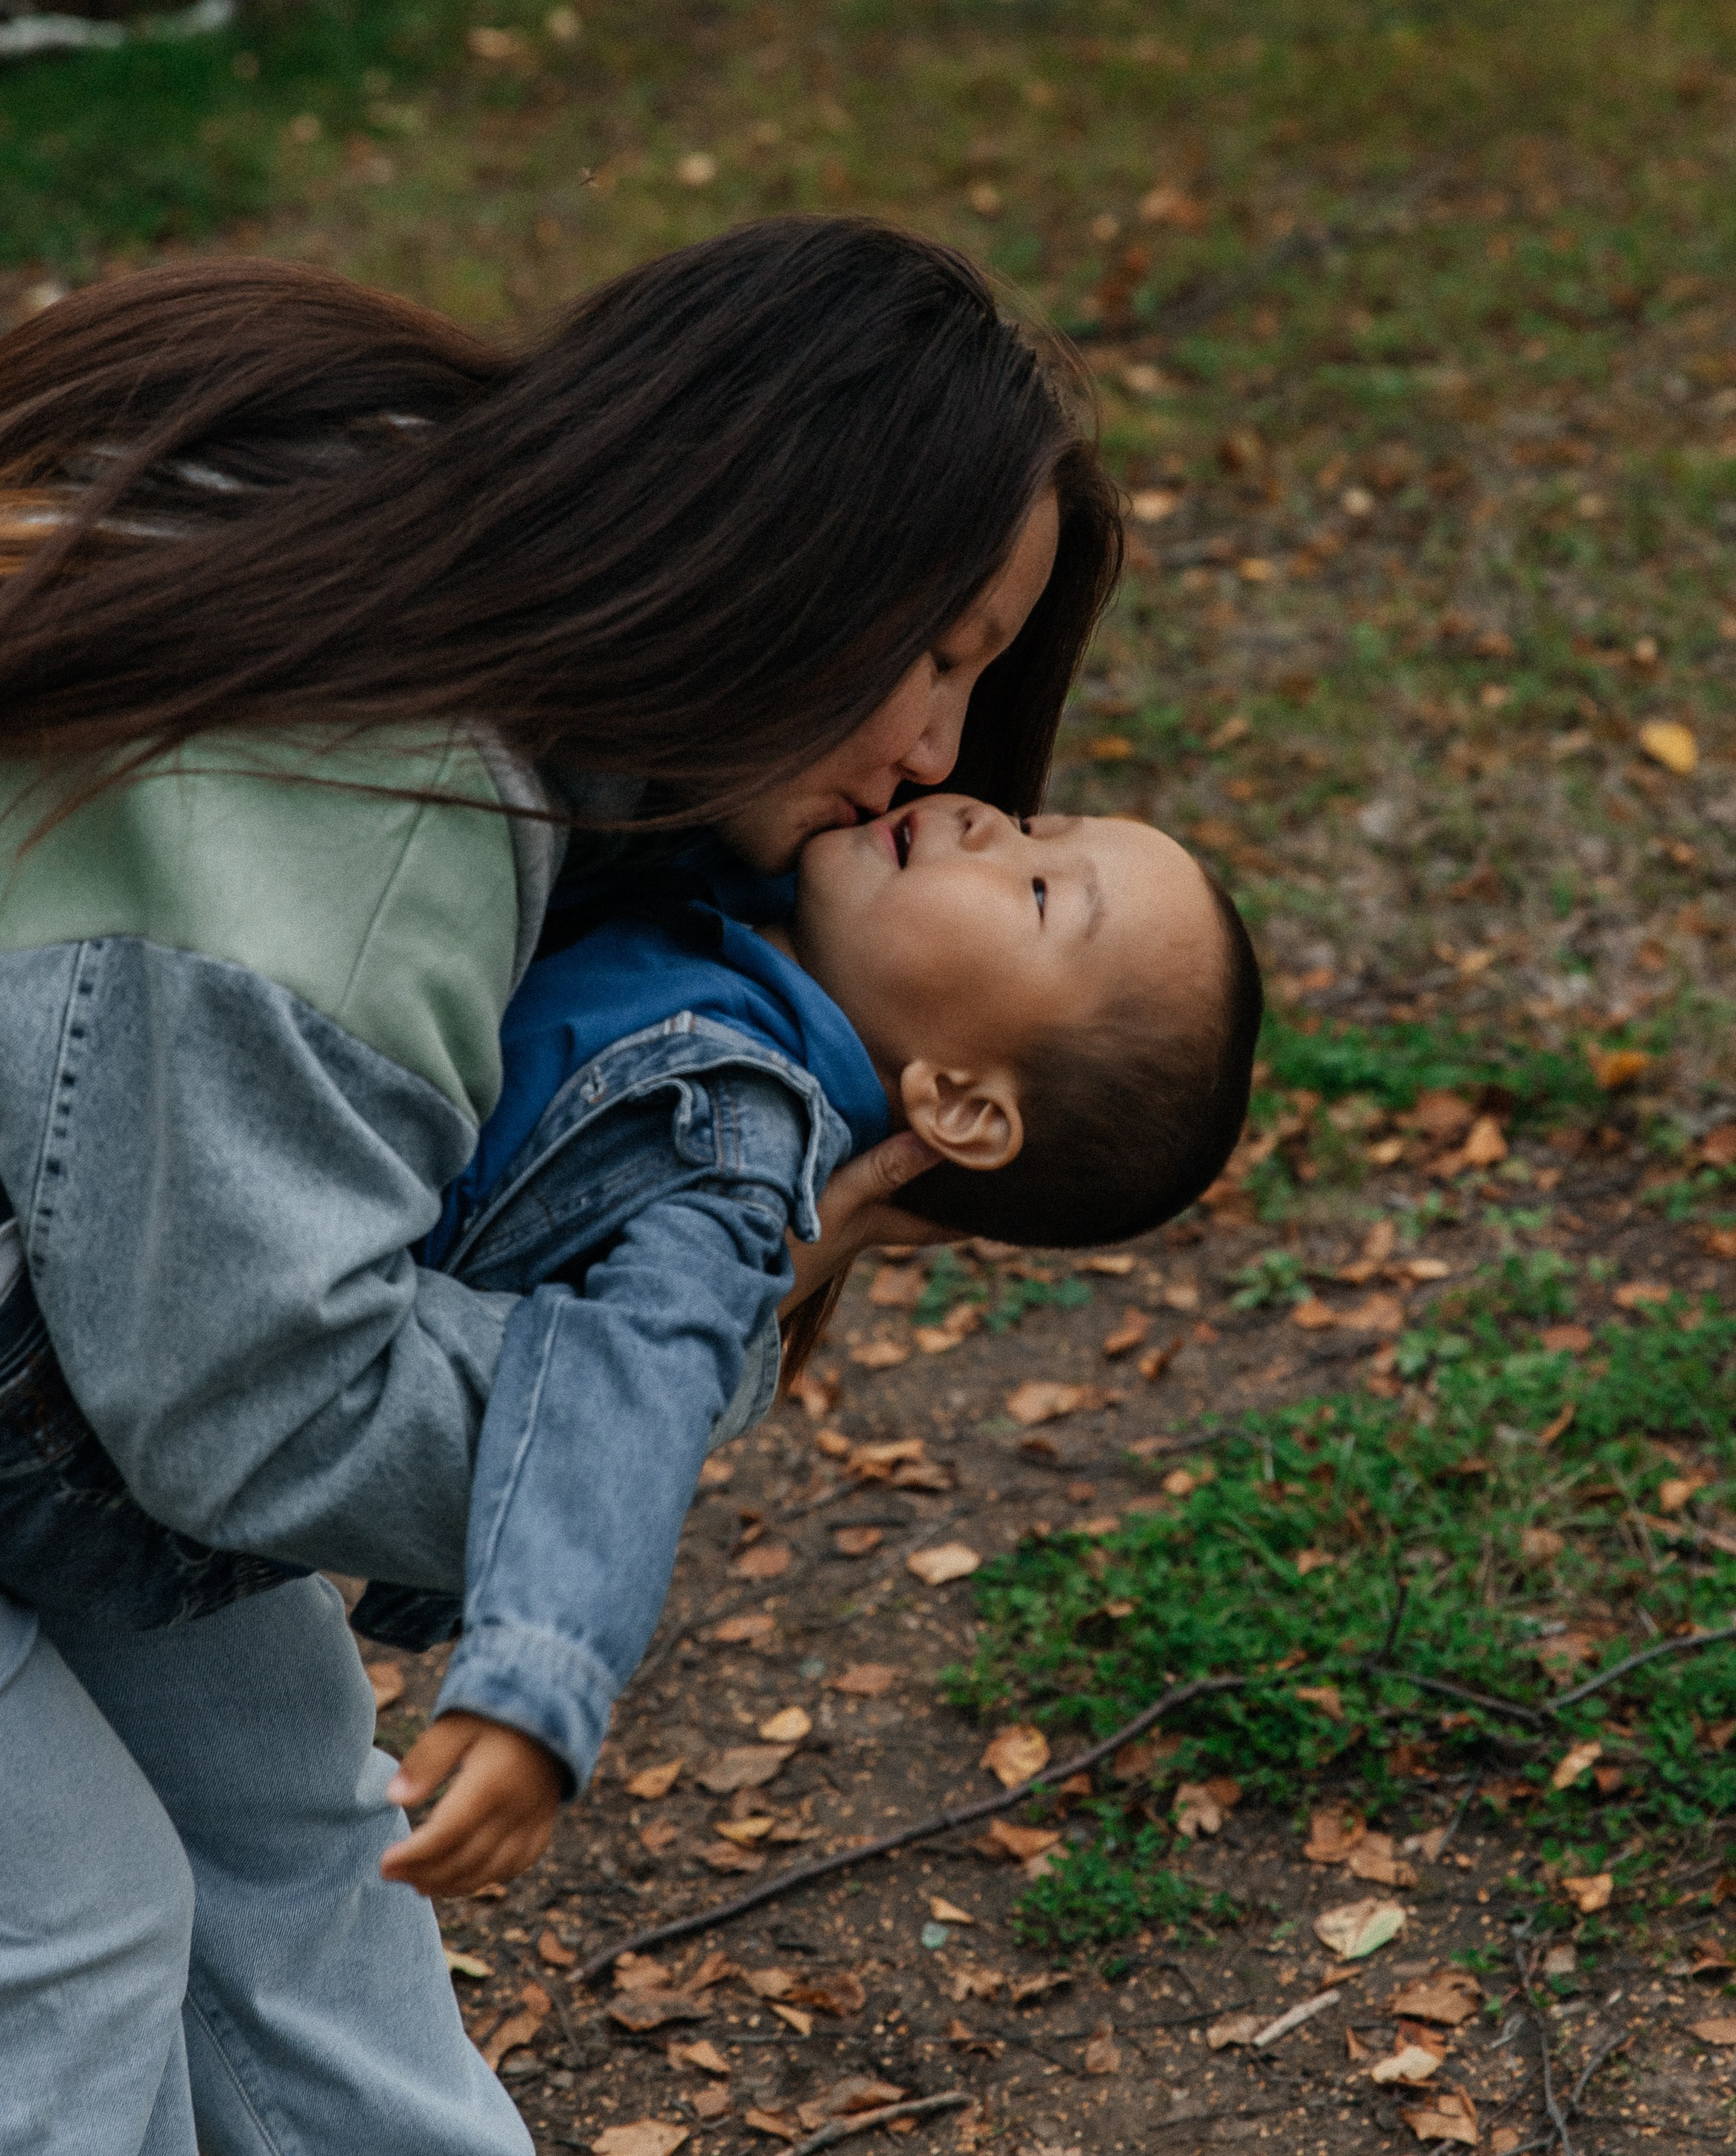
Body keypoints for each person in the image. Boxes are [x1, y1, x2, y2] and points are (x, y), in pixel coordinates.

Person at [0, 217, 1121, 2156]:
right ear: (776, 538)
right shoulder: (387, 800)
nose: (942, 754)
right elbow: (257, 1403)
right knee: (75, 1939)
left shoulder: (421, 555)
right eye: (933, 653)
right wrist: (688, 1328)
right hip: (84, 1412)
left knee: (302, 1859)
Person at [356, 790, 1261, 1900]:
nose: (987, 823)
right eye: (1042, 824)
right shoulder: (739, 881)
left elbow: (632, 1381)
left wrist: (537, 1678)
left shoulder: (728, 1150)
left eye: (1034, 891)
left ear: (964, 1108)